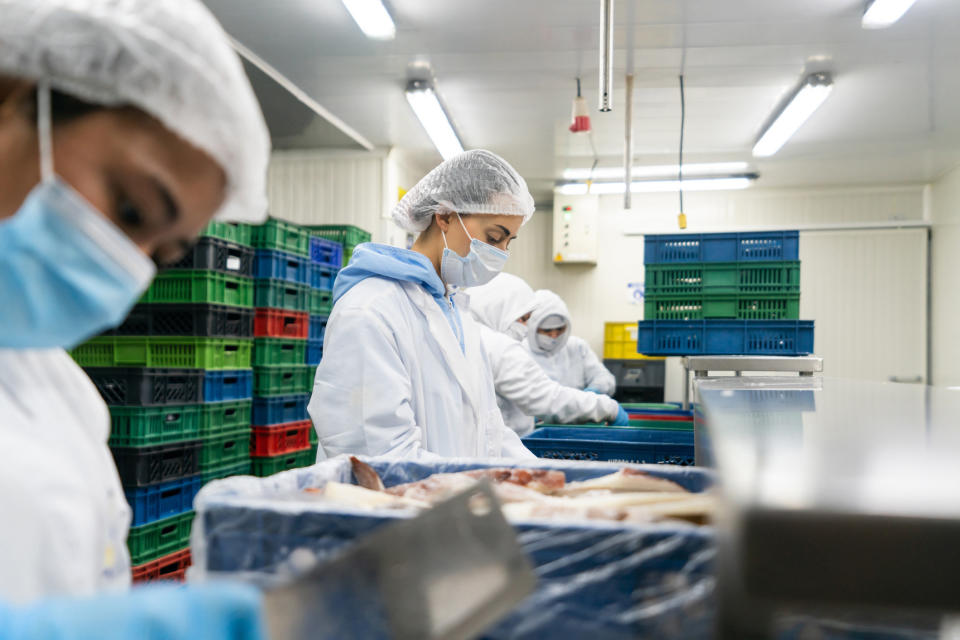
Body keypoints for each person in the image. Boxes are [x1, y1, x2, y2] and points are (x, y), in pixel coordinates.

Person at [0, 0, 269, 635]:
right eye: (130, 208)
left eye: (163, 254)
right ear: (14, 92)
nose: (125, 268)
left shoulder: (63, 398)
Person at [308, 149, 536, 460]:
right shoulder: (370, 310)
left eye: (508, 242)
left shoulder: (455, 311)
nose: (500, 254)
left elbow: (488, 429)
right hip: (393, 503)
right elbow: (375, 454)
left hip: (450, 498)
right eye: (494, 237)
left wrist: (553, 482)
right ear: (444, 216)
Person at [467, 273, 630, 437]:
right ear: (498, 309)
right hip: (501, 446)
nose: (525, 328)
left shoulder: (470, 337)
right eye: (523, 319)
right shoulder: (497, 348)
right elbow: (549, 399)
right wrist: (607, 408)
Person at [525, 289, 616, 396]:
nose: (554, 336)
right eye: (547, 331)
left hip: (578, 411)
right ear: (533, 329)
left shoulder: (577, 347)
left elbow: (604, 378)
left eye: (559, 329)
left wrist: (594, 390)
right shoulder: (520, 351)